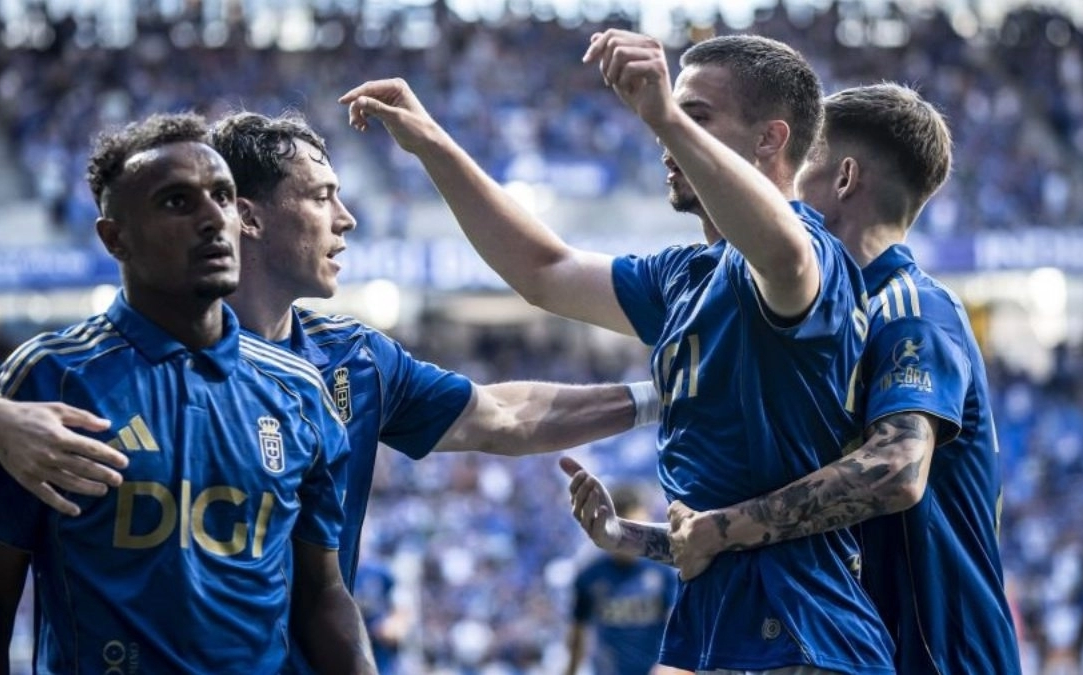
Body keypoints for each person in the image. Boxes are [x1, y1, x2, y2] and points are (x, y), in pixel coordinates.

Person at [0, 111, 661, 671]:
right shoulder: (71, 374)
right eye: (322, 196)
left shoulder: (339, 366)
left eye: (217, 196)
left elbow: (501, 416)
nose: (347, 219)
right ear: (252, 219)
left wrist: (661, 394)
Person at [340, 30, 894, 675]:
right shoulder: (685, 276)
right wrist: (431, 144)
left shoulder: (806, 254)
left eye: (697, 116)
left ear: (770, 139)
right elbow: (546, 271)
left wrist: (663, 115)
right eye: (672, 115)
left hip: (802, 637)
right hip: (724, 631)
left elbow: (784, 250)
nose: (663, 135)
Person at [0, 113, 376, 673]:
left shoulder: (299, 391)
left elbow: (323, 596)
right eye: (177, 202)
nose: (213, 219)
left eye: (223, 197)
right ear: (115, 237)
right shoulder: (54, 379)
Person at [652, 84, 1022, 675]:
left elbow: (896, 469)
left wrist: (721, 531)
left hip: (940, 658)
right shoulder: (828, 326)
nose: (783, 187)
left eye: (801, 166)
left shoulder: (909, 309)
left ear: (845, 178)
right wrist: (642, 538)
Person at [564, 483, 679, 675]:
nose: (633, 541)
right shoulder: (590, 576)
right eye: (627, 532)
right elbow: (578, 632)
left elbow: (676, 626)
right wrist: (570, 670)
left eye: (640, 532)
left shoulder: (662, 572)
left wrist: (670, 666)